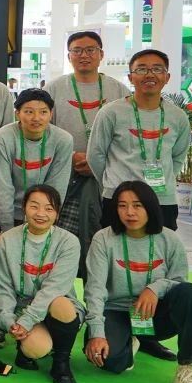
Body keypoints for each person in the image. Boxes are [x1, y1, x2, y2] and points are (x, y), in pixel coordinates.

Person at [84, 181, 192, 383]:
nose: (130, 212)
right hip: (117, 311)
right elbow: (95, 289)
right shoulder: (103, 239)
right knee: (107, 360)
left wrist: (154, 289)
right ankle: (129, 341)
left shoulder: (169, 239)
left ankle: (187, 367)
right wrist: (96, 333)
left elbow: (179, 282)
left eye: (137, 205)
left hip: (154, 313)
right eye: (122, 206)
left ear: (150, 207)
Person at [45, 31, 130, 272]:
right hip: (64, 176)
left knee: (100, 240)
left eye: (91, 50)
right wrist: (70, 156)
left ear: (101, 54)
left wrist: (96, 160)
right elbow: (42, 130)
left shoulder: (119, 91)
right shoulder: (54, 89)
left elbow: (127, 136)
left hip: (105, 179)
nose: (84, 55)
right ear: (69, 56)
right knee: (60, 243)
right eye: (77, 50)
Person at [0, 185, 83, 383]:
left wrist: (27, 321)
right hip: (22, 309)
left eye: (49, 208)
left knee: (61, 303)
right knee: (37, 348)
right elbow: (1, 287)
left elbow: (54, 288)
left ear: (57, 213)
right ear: (24, 208)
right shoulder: (6, 240)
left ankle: (61, 362)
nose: (41, 214)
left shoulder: (69, 242)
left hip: (55, 305)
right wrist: (10, 321)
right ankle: (24, 348)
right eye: (34, 206)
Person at [87, 49, 191, 232]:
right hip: (119, 198)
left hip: (162, 199)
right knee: (116, 246)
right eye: (142, 69)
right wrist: (113, 183)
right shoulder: (110, 112)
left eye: (157, 69)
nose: (150, 74)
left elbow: (178, 157)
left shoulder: (178, 116)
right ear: (130, 77)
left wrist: (163, 181)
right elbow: (95, 155)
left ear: (167, 77)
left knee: (159, 247)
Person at [0, 89, 74, 233]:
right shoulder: (2, 138)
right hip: (3, 210)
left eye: (43, 112)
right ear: (18, 114)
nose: (36, 118)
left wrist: (44, 217)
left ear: (51, 114)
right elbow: (3, 187)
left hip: (41, 212)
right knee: (4, 246)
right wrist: (7, 230)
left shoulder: (63, 140)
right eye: (29, 112)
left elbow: (57, 187)